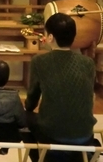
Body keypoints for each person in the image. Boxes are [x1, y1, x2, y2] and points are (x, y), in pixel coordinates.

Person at [22, 12, 96, 162]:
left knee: (24, 118)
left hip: (52, 134)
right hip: (84, 134)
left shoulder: (40, 61)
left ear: (50, 37)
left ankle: (42, 157)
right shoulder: (88, 63)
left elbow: (32, 101)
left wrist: (28, 109)